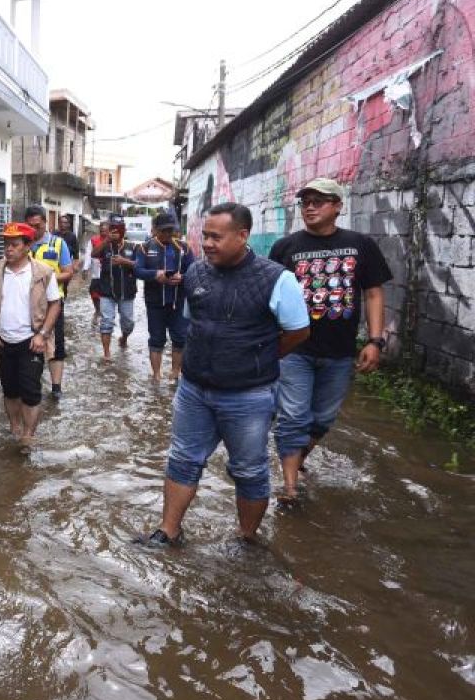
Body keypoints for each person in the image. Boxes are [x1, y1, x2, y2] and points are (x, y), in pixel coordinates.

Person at [140, 203, 310, 547]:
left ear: (242, 235)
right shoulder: (196, 274)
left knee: (249, 470)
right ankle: (169, 531)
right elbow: (193, 323)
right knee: (183, 459)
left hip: (248, 396)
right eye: (205, 236)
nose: (208, 243)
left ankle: (246, 538)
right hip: (194, 390)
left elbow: (298, 331)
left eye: (216, 237)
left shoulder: (278, 279)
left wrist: (259, 357)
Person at [269, 178, 392, 504]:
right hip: (294, 349)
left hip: (339, 352)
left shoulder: (360, 244)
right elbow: (270, 297)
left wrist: (375, 341)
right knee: (294, 415)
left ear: (338, 205)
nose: (309, 206)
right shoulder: (285, 248)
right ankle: (290, 486)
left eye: (319, 201)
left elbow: (375, 293)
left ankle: (296, 459)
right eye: (305, 201)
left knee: (321, 418)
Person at [0, 222, 62, 443]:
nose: (8, 249)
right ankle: (14, 427)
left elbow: (55, 304)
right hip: (3, 341)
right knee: (10, 390)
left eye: (14, 245)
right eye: (6, 244)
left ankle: (28, 435)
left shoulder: (43, 272)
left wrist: (43, 334)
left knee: (30, 391)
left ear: (28, 246)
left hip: (31, 341)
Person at [133, 211, 194, 380]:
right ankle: (157, 375)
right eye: (164, 230)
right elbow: (137, 270)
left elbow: (195, 271)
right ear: (155, 230)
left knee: (180, 338)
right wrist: (155, 274)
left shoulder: (184, 248)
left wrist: (182, 278)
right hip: (155, 302)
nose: (168, 234)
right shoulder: (144, 248)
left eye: (170, 230)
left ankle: (175, 374)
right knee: (156, 338)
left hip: (178, 301)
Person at [23, 205, 75, 397]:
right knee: (27, 343)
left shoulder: (58, 244)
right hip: (26, 304)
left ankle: (56, 387)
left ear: (46, 222)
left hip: (53, 302)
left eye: (37, 225)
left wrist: (46, 278)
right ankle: (30, 381)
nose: (34, 230)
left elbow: (69, 273)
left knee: (56, 344)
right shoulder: (21, 245)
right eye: (30, 226)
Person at [90, 214, 138, 358]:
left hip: (126, 292)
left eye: (118, 229)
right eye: (113, 228)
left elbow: (141, 266)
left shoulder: (133, 247)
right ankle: (107, 354)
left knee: (128, 323)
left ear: (123, 230)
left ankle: (123, 338)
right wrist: (107, 240)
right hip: (107, 291)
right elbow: (93, 253)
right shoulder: (105, 246)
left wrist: (125, 261)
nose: (115, 232)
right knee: (106, 322)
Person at [82, 220, 109, 321]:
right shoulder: (93, 240)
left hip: (108, 271)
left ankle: (106, 313)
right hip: (96, 271)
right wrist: (85, 269)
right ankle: (97, 309)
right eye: (101, 230)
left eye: (105, 230)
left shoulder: (113, 241)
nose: (103, 232)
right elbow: (88, 255)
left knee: (106, 293)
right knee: (93, 290)